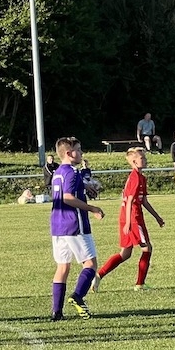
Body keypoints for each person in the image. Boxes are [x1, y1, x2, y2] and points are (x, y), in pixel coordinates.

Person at [49, 137, 105, 321]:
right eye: (78, 150)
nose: (81, 153)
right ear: (69, 153)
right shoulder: (73, 172)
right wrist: (92, 208)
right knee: (90, 264)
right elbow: (67, 197)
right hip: (74, 223)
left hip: (57, 225)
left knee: (63, 267)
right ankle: (78, 296)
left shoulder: (58, 171)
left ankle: (57, 312)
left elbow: (65, 189)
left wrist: (85, 187)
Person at [95, 146, 165, 292]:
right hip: (133, 218)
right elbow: (130, 201)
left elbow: (144, 201)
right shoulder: (135, 177)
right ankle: (140, 284)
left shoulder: (141, 177)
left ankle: (98, 275)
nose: (145, 160)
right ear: (134, 161)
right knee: (147, 248)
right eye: (142, 158)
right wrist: (128, 222)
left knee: (125, 254)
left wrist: (157, 217)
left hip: (129, 217)